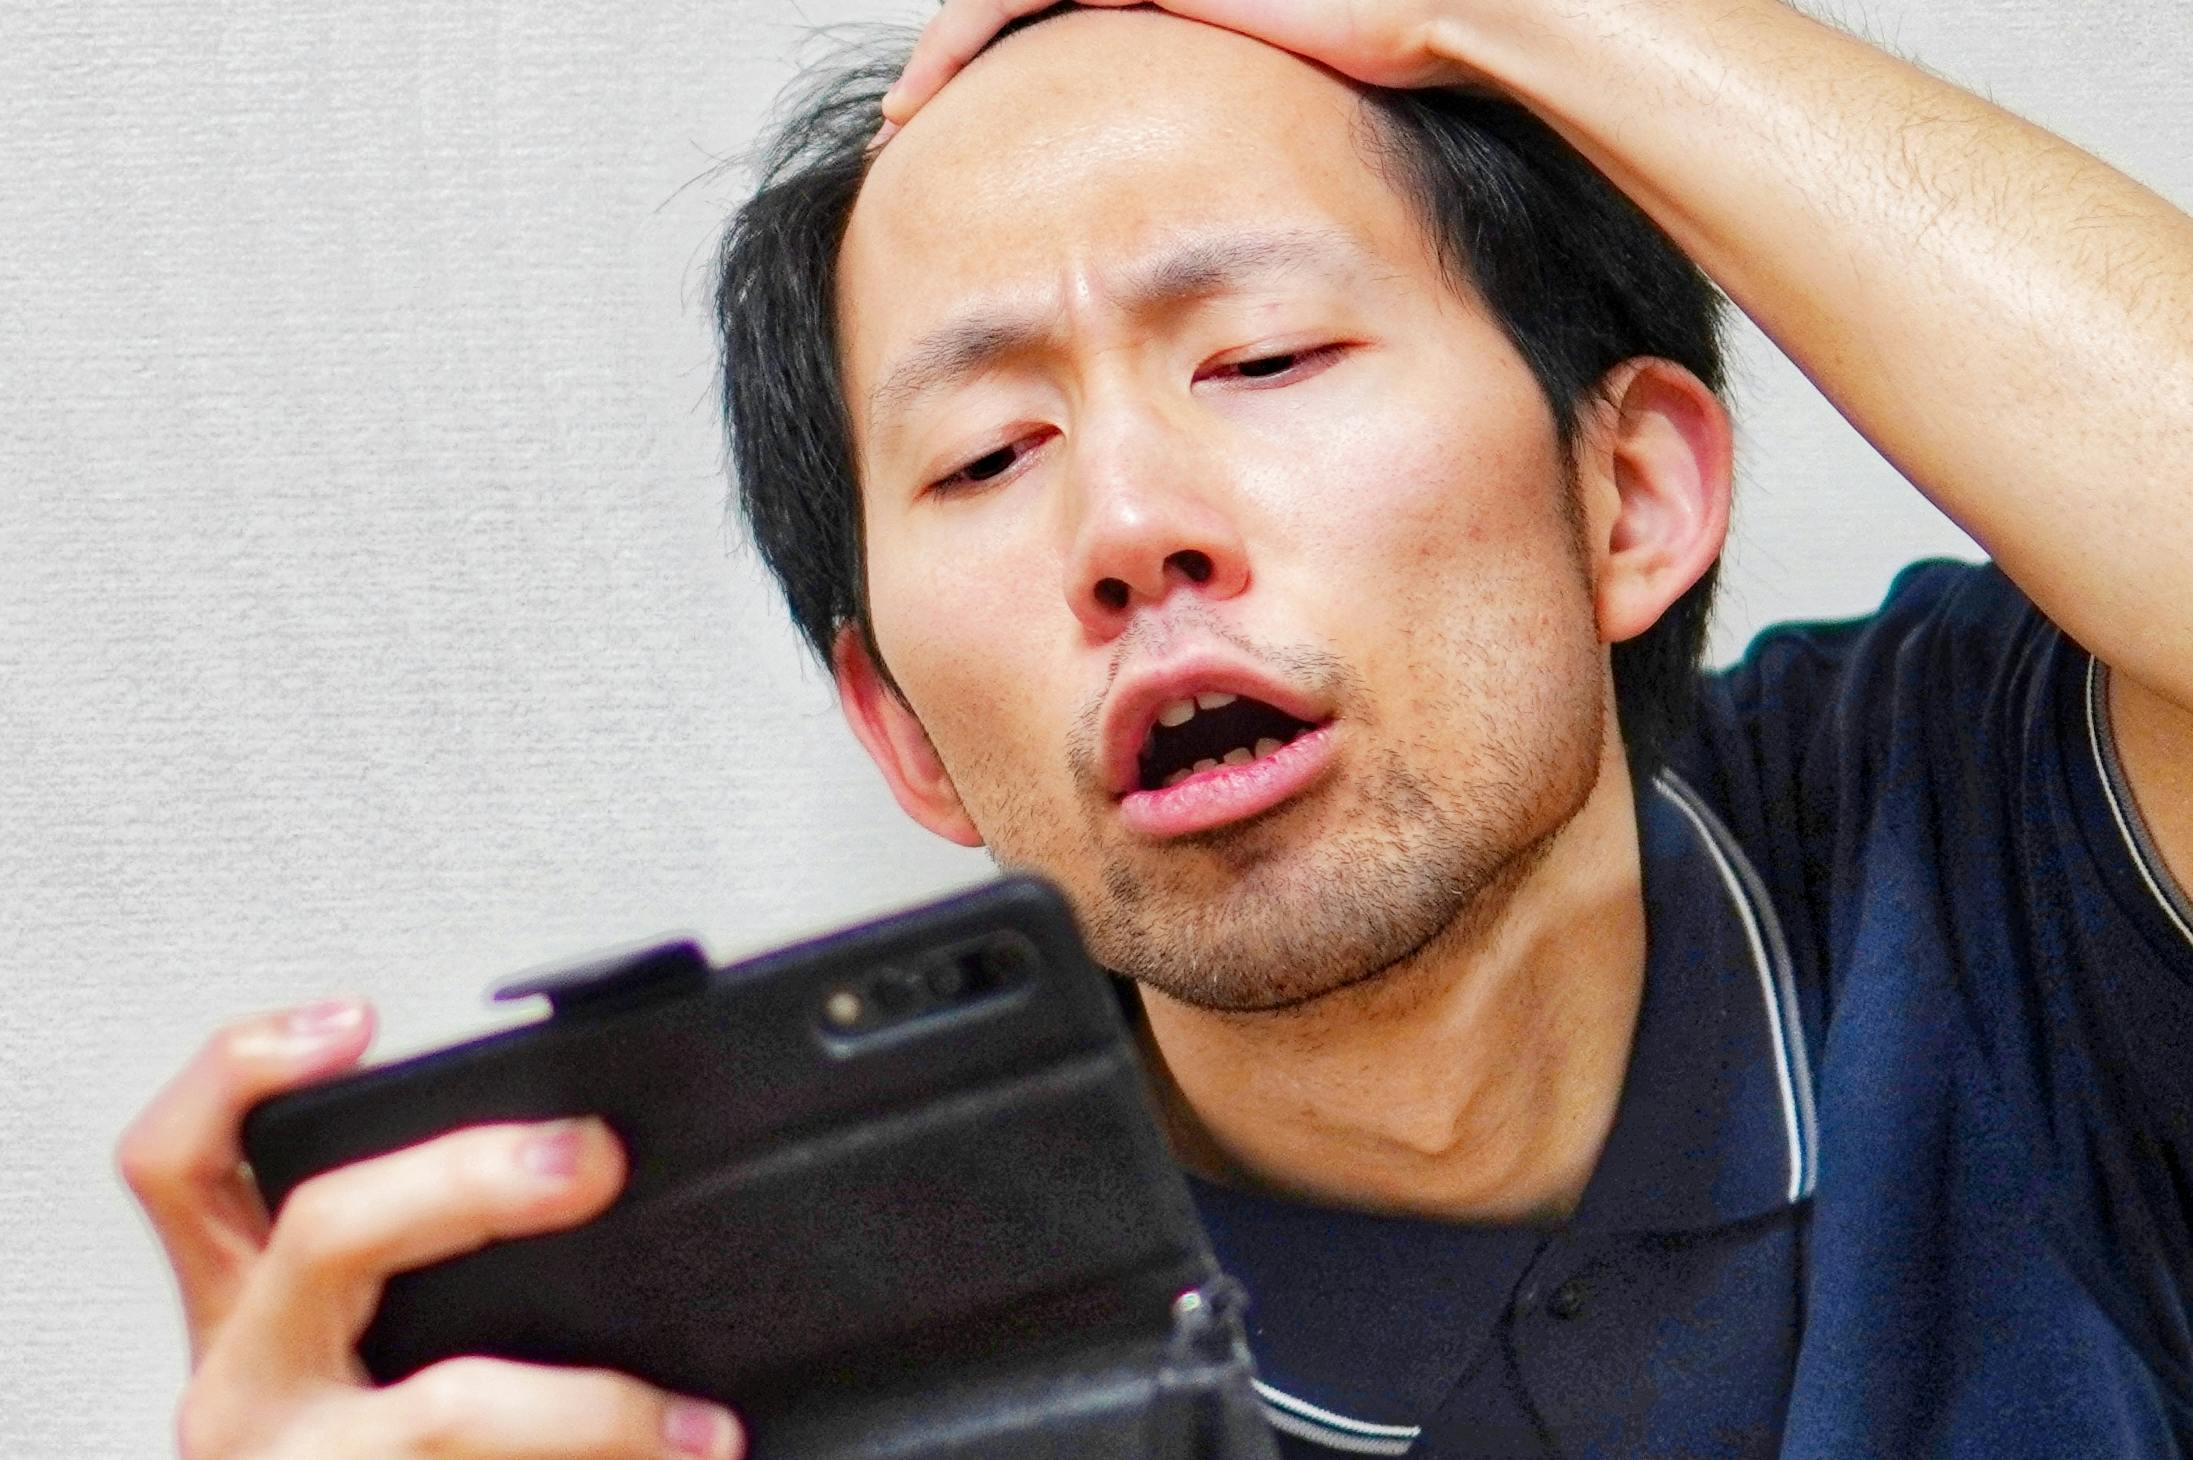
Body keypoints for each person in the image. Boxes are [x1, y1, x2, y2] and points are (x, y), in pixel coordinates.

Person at [118, 0, 2193, 1456]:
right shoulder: (800, 1369)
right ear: (904, 734)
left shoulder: (1982, 828)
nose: (1125, 529)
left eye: (1264, 355)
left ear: (1629, 495)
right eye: (988, 455)